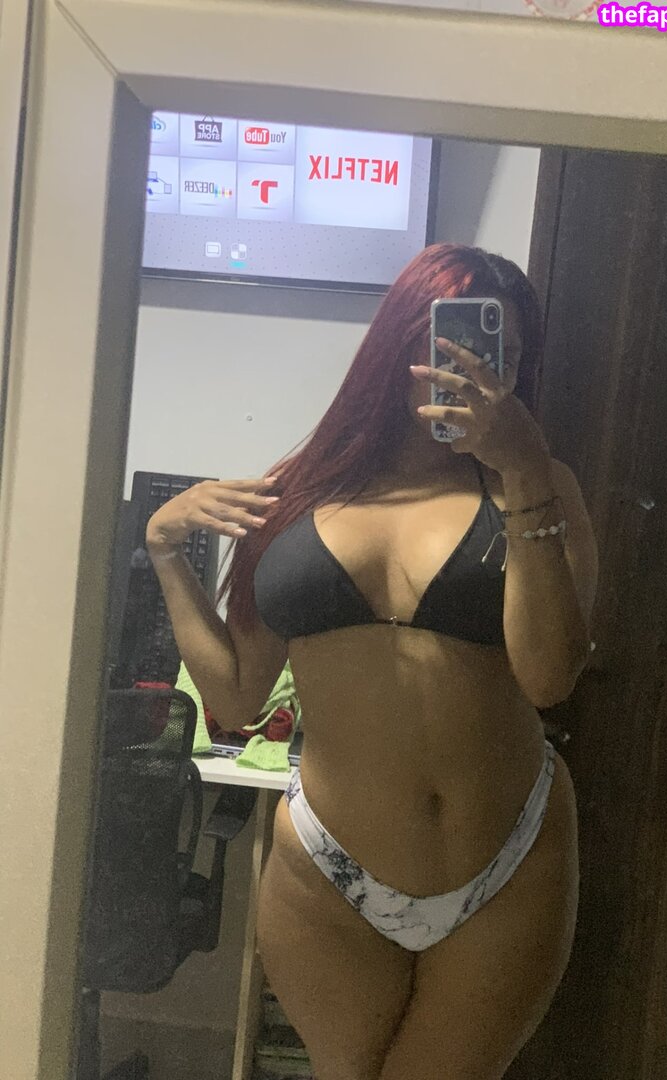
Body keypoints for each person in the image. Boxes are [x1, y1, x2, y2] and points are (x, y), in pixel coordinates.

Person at [146, 243, 599, 1080]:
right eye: (443, 340)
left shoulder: (539, 488)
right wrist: (167, 552)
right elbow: (237, 699)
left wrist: (523, 467)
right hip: (328, 868)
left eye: (497, 349)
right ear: (396, 345)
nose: (467, 367)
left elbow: (549, 678)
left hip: (506, 864)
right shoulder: (295, 492)